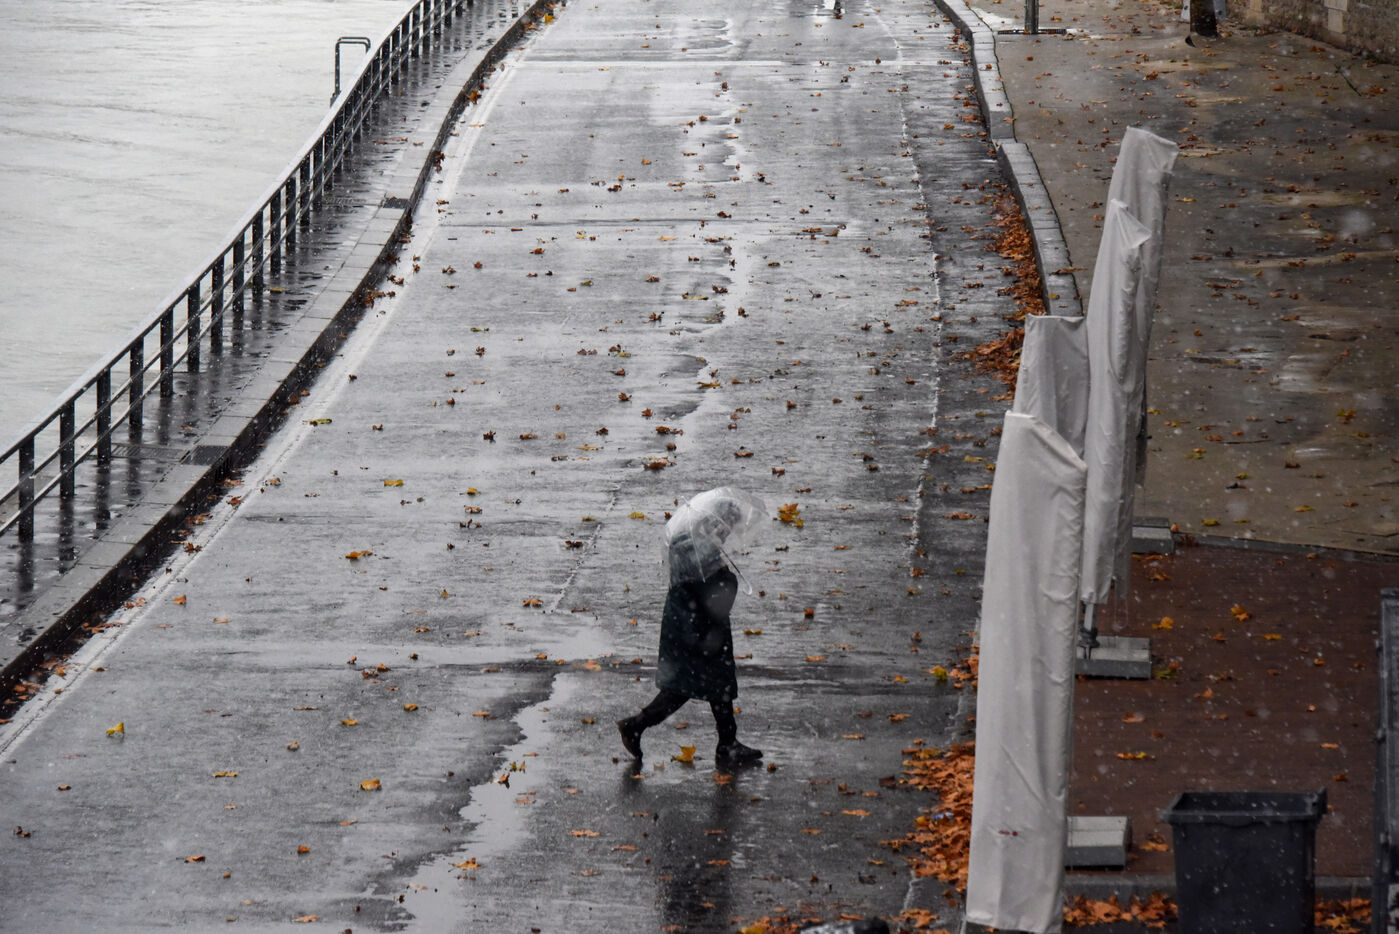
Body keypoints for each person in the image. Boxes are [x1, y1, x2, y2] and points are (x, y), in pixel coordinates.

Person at [617, 559, 762, 766]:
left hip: (693, 625)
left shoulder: (691, 551)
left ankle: (727, 742)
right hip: (700, 629)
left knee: (714, 682)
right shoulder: (700, 557)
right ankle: (635, 726)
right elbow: (722, 597)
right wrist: (727, 575)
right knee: (688, 686)